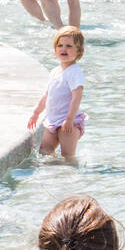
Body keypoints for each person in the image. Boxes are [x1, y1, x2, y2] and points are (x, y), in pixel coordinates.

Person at [28, 25, 87, 159]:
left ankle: (71, 176)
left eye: (69, 46)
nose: (63, 49)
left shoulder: (74, 72)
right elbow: (47, 95)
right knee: (44, 152)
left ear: (79, 51)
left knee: (68, 156)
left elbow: (76, 97)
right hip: (53, 121)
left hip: (68, 123)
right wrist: (36, 112)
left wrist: (69, 119)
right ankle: (55, 176)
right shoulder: (55, 71)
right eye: (60, 45)